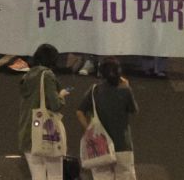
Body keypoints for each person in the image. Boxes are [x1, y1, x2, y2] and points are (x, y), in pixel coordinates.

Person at [77, 58, 139, 180]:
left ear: (101, 73)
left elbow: (79, 112)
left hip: (100, 146)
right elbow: (134, 110)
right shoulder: (125, 91)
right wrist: (127, 87)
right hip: (122, 145)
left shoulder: (94, 91)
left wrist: (88, 129)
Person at [18, 45, 69, 180]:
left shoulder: (26, 76)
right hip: (47, 133)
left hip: (27, 132)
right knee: (55, 174)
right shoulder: (47, 75)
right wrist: (61, 95)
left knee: (37, 175)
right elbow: (55, 105)